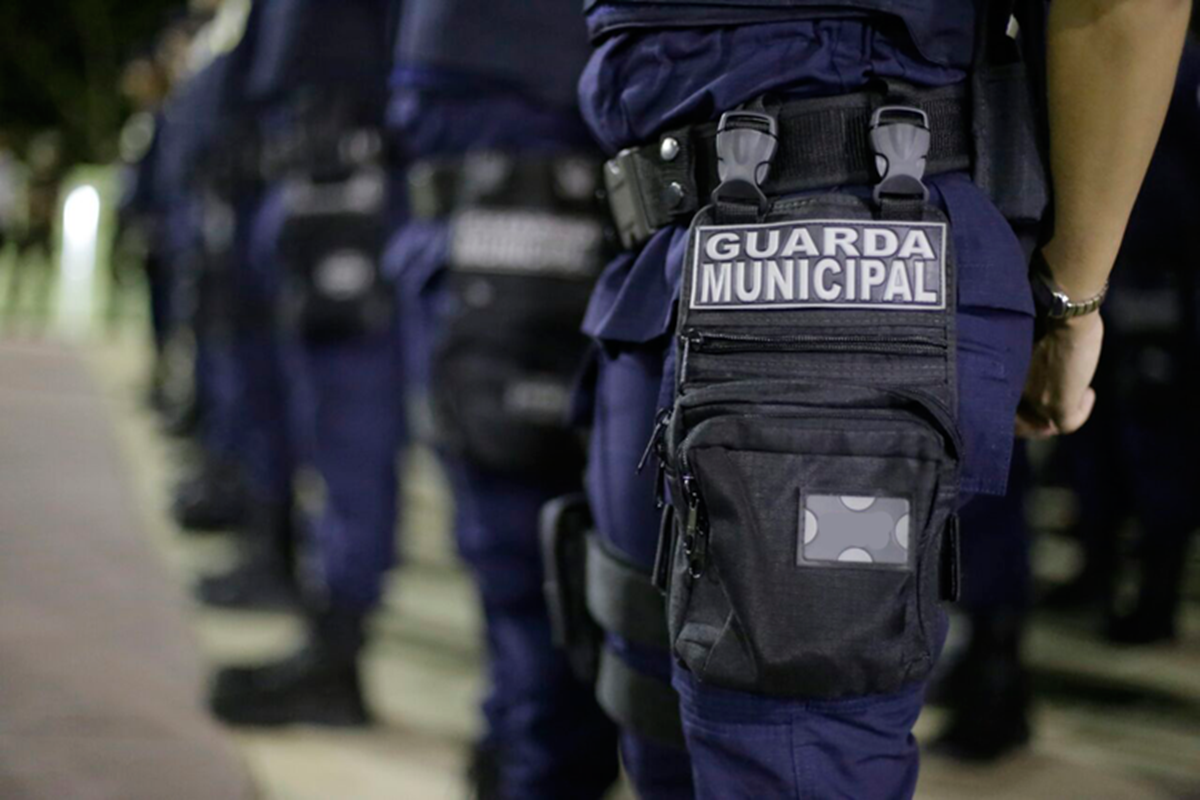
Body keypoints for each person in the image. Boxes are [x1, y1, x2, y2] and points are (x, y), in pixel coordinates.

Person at [576, 0, 1192, 797]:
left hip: (838, 229)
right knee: (661, 718)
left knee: (791, 748)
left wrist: (1073, 295)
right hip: (660, 239)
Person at [384, 1, 621, 796]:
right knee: (504, 542)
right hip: (486, 151)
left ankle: (542, 768)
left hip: (534, 129)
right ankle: (516, 746)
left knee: (533, 550)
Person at [206, 0, 406, 727]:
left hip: (352, 162)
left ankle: (339, 651)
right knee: (318, 414)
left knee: (352, 422)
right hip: (314, 156)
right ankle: (320, 614)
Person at [1048, 27, 1200, 646]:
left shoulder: (1172, 62)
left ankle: (1157, 594)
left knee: (1156, 442)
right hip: (1106, 268)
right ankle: (1098, 567)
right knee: (1096, 436)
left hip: (1160, 277)